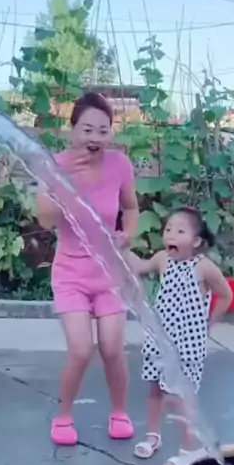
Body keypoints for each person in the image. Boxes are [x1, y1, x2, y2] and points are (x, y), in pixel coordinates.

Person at [37, 91, 139, 446]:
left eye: (103, 131)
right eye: (87, 130)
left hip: (110, 273)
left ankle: (119, 411)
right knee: (81, 350)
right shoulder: (55, 165)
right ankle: (64, 415)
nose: (95, 138)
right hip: (71, 274)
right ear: (73, 129)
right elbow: (45, 218)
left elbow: (131, 208)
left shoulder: (119, 164)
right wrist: (66, 182)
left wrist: (128, 234)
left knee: (112, 348)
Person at [130, 207, 232, 465]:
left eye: (180, 231)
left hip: (187, 346)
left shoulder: (204, 267)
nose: (171, 235)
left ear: (196, 241)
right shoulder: (162, 259)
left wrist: (209, 324)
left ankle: (187, 449)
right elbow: (139, 267)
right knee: (155, 389)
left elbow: (226, 295)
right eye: (168, 229)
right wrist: (120, 246)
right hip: (159, 340)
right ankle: (153, 436)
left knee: (178, 398)